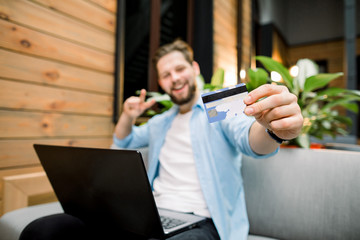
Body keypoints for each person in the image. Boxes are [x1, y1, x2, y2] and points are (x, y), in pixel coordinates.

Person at [20, 39, 303, 240]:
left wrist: (273, 129)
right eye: (165, 75)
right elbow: (121, 146)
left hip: (202, 223)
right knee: (42, 231)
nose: (174, 79)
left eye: (179, 70)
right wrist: (127, 116)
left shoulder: (216, 110)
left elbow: (250, 141)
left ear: (193, 69)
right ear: (161, 83)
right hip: (150, 217)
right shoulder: (159, 123)